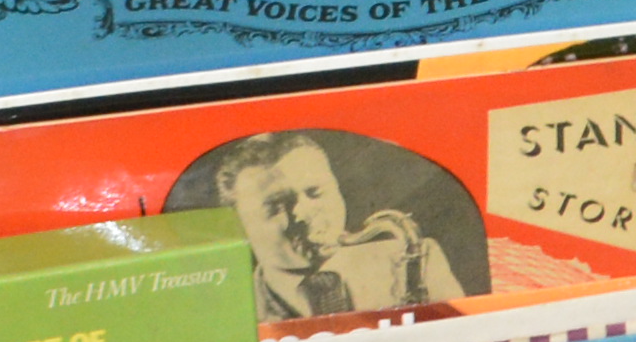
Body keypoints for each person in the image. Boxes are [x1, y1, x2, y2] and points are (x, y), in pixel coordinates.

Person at [184, 127, 478, 323]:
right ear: (238, 225)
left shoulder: (416, 260)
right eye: (276, 206)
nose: (304, 213)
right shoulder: (223, 315)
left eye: (315, 192)